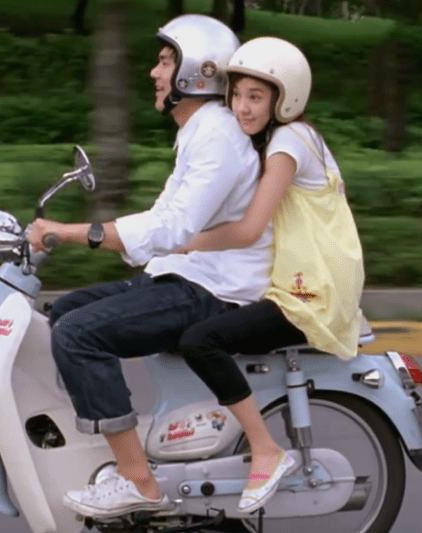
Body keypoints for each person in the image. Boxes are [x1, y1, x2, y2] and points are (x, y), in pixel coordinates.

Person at [25, 14, 274, 519]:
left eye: (164, 62)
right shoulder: (199, 133)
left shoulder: (218, 137)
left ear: (197, 72)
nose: (154, 73)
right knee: (66, 311)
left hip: (213, 289)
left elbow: (171, 229)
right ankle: (105, 441)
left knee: (78, 334)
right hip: (184, 275)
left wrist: (73, 232)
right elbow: (164, 225)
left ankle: (138, 481)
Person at [173, 36, 366, 514]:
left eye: (256, 97)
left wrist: (185, 240)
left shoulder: (287, 143)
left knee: (201, 340)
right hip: (313, 285)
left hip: (310, 296)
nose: (242, 107)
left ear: (286, 98)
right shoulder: (298, 137)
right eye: (236, 94)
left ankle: (265, 449)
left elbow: (249, 229)